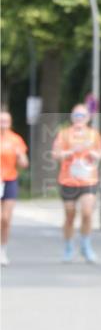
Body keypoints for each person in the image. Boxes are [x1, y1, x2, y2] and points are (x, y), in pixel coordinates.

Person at [51, 104, 101, 263]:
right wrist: (69, 152)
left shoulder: (94, 135)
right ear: (72, 117)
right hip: (68, 180)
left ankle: (85, 245)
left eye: (82, 115)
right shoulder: (64, 134)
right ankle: (68, 247)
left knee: (88, 213)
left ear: (88, 118)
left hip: (88, 179)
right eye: (76, 115)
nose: (79, 118)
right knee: (70, 215)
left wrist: (96, 155)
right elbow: (55, 154)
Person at [0, 107, 29, 266]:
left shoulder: (16, 140)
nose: (3, 124)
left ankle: (2, 250)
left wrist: (20, 155)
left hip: (9, 180)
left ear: (10, 123)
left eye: (5, 121)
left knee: (5, 218)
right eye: (1, 121)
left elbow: (24, 163)